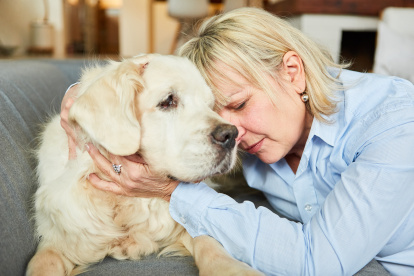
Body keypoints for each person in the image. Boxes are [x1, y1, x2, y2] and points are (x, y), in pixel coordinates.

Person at [61, 8, 414, 276]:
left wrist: (171, 191)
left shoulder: (395, 123)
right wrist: (88, 96)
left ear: (292, 72)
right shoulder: (266, 134)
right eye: (218, 115)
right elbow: (157, 89)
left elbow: (318, 261)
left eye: (240, 104)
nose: (234, 135)